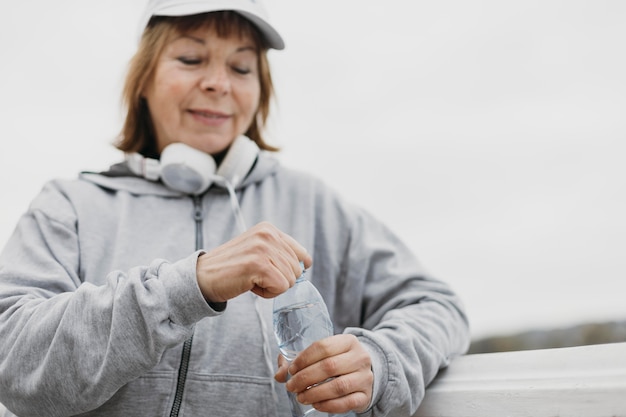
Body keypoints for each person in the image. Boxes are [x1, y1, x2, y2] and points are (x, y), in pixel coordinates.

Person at [0, 1, 470, 416]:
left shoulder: (311, 201)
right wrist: (191, 284)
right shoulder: (69, 206)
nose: (218, 83)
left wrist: (381, 361)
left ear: (260, 91)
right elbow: (13, 365)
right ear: (143, 78)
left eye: (242, 68)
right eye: (190, 58)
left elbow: (437, 306)